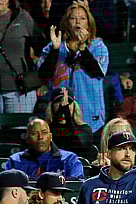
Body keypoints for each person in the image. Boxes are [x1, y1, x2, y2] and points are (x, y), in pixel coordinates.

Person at [37, 2, 109, 134]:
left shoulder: (98, 46)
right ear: (66, 23)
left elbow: (96, 71)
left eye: (82, 18)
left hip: (90, 114)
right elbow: (44, 74)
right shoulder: (53, 46)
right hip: (60, 115)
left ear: (88, 23)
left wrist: (83, 49)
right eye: (73, 18)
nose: (78, 22)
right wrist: (55, 50)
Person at [0, 0, 45, 122]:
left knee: (18, 135)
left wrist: (42, 80)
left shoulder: (23, 17)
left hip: (20, 92)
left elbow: (43, 50)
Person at [4, 118, 84, 179]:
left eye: (44, 133)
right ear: (27, 139)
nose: (40, 137)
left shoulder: (69, 159)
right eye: (34, 133)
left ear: (50, 137)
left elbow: (76, 186)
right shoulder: (14, 161)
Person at [45, 87, 94, 158]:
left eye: (68, 102)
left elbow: (80, 145)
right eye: (59, 101)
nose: (64, 104)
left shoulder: (84, 128)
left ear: (75, 106)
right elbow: (53, 140)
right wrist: (61, 111)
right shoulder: (45, 130)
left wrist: (66, 113)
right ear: (52, 106)